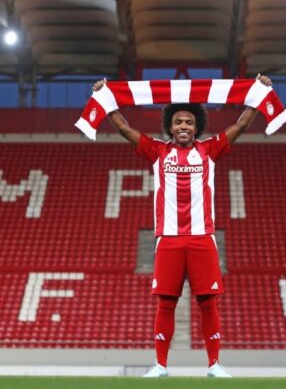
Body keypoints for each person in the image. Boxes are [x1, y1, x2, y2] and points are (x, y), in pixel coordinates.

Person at [93, 74, 273, 378]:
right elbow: (124, 128)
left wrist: (257, 95)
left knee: (208, 303)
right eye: (178, 122)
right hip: (169, 239)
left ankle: (214, 365)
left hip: (202, 238)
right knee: (166, 304)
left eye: (189, 122)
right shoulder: (157, 151)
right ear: (170, 127)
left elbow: (241, 125)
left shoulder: (210, 149)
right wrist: (106, 99)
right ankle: (160, 365)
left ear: (197, 126)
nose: (184, 126)